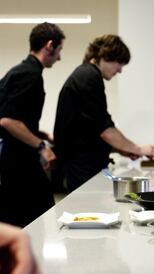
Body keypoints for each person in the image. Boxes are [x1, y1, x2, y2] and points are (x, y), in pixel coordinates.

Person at [53, 35, 154, 192]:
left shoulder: (86, 75)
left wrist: (123, 149)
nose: (120, 70)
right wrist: (139, 149)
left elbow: (90, 129)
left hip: (81, 164)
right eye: (119, 63)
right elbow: (105, 130)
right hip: (82, 168)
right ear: (106, 56)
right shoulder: (89, 77)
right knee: (88, 212)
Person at [0, 22, 65, 227]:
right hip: (17, 160)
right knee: (36, 215)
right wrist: (41, 146)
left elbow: (16, 117)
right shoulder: (30, 75)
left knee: (26, 216)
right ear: (49, 45)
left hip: (13, 157)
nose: (60, 57)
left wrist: (42, 135)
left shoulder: (19, 71)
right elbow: (8, 120)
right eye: (59, 50)